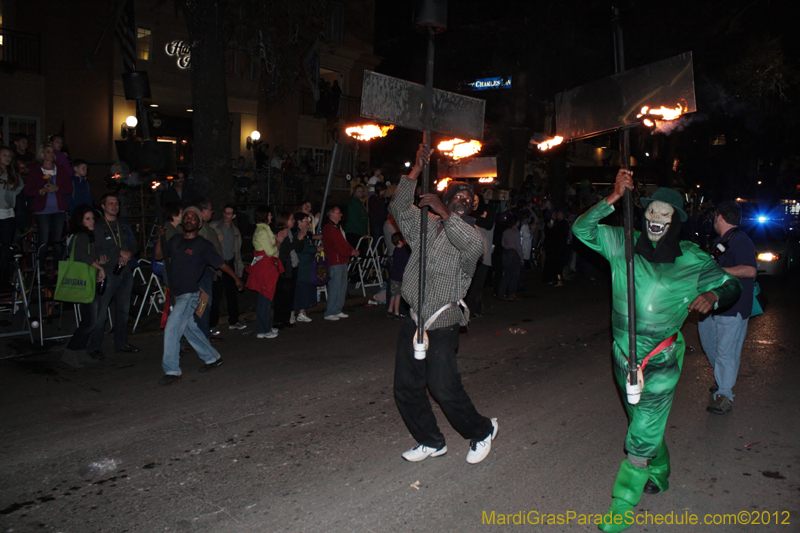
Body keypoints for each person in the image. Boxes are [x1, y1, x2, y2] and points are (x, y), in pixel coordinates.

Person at [572, 169, 742, 533]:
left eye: (665, 214)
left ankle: (622, 504)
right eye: (652, 211)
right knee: (644, 424)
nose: (656, 219)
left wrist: (713, 295)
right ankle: (660, 471)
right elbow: (581, 230)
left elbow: (731, 285)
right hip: (622, 355)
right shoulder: (622, 242)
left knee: (644, 426)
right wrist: (614, 198)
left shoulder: (693, 258)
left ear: (676, 220)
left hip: (661, 358)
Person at [389, 146, 497, 465]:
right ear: (446, 197)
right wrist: (417, 170)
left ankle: (481, 431)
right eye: (458, 195)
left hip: (443, 320)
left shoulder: (471, 237)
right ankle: (431, 440)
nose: (464, 199)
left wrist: (445, 212)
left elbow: (471, 246)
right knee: (405, 387)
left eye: (470, 198)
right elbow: (397, 205)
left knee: (442, 386)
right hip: (413, 318)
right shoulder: (425, 225)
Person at [154, 207, 244, 386]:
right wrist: (160, 237)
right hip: (177, 293)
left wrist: (236, 279)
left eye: (193, 218)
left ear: (199, 223)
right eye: (186, 217)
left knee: (172, 327)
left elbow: (221, 264)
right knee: (189, 329)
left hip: (190, 294)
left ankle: (172, 370)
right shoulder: (175, 240)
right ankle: (212, 358)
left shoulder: (203, 245)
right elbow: (158, 255)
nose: (188, 219)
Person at [698, 201, 757, 415]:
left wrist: (720, 273)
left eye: (714, 217)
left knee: (726, 352)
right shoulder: (719, 241)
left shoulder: (741, 240)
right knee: (710, 345)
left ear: (719, 217)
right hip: (714, 305)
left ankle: (724, 394)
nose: (713, 221)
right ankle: (724, 378)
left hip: (734, 307)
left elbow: (750, 271)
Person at [87, 192, 139, 359]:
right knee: (101, 311)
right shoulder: (98, 226)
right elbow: (98, 246)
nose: (114, 206)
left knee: (123, 310)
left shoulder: (123, 225)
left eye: (116, 203)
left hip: (125, 272)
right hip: (108, 272)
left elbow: (134, 244)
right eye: (110, 203)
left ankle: (121, 343)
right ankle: (94, 347)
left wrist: (129, 252)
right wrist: (119, 252)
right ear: (103, 206)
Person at [60, 205, 107, 368]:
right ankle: (71, 351)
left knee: (88, 319)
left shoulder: (78, 236)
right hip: (85, 283)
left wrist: (98, 264)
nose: (92, 221)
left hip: (86, 281)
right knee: (89, 321)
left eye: (92, 218)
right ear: (80, 221)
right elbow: (81, 256)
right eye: (87, 219)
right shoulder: (83, 236)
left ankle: (79, 352)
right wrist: (99, 267)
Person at [24, 143, 73, 274]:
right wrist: (41, 190)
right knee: (44, 241)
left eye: (52, 152)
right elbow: (28, 190)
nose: (51, 154)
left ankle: (58, 270)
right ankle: (40, 270)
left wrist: (58, 188)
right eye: (47, 151)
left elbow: (69, 188)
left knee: (57, 242)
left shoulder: (61, 170)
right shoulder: (35, 171)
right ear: (42, 153)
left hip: (59, 210)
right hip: (42, 210)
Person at [247, 206, 283, 339]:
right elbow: (270, 251)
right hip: (265, 268)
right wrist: (278, 243)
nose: (271, 217)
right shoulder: (262, 231)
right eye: (269, 215)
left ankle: (264, 328)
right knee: (265, 299)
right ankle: (263, 329)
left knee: (265, 299)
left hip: (266, 267)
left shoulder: (263, 230)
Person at [209, 204, 246, 331]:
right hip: (218, 264)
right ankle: (211, 325)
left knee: (232, 294)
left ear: (234, 216)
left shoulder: (235, 231)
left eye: (229, 213)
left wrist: (239, 267)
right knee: (216, 295)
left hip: (230, 263)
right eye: (225, 212)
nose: (226, 215)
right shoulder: (214, 226)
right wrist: (215, 241)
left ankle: (234, 321)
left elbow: (238, 251)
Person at [321, 206, 358, 320]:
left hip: (342, 259)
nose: (341, 214)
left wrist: (351, 250)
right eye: (338, 212)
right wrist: (350, 252)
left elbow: (344, 242)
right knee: (335, 286)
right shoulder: (329, 228)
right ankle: (330, 311)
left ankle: (337, 309)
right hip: (335, 260)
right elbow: (337, 245)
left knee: (342, 286)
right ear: (331, 214)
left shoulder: (338, 227)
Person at [195, 199, 222, 340]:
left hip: (208, 270)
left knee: (205, 302)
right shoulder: (200, 229)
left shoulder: (206, 228)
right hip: (203, 270)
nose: (212, 213)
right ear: (203, 211)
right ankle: (202, 334)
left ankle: (203, 331)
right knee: (203, 302)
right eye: (210, 210)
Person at [273, 211, 303, 329]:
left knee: (289, 295)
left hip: (292, 265)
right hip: (283, 267)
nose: (293, 221)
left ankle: (285, 319)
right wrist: (297, 240)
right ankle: (278, 321)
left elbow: (298, 248)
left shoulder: (290, 232)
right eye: (291, 219)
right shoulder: (279, 232)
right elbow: (284, 250)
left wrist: (300, 238)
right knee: (281, 295)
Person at [0, 146, 25, 290]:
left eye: (9, 156)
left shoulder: (13, 173)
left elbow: (20, 186)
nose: (7, 158)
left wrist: (12, 195)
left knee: (5, 247)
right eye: (4, 155)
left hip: (8, 213)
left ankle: (4, 279)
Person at [292, 211, 320, 324]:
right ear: (298, 222)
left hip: (308, 265)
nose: (307, 222)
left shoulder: (307, 233)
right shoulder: (296, 233)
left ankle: (302, 312)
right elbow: (300, 248)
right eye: (305, 220)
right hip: (301, 265)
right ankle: (292, 313)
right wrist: (315, 250)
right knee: (298, 290)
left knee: (305, 289)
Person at [498, 213, 524, 301]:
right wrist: (521, 257)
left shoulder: (505, 232)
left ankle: (501, 293)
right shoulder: (516, 232)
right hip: (513, 253)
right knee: (515, 275)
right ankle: (511, 293)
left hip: (506, 253)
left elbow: (503, 243)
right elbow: (518, 246)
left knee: (506, 274)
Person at [387, 231, 409, 319]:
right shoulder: (402, 251)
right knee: (398, 295)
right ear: (400, 241)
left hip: (394, 275)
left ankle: (390, 310)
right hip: (399, 276)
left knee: (393, 294)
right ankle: (397, 312)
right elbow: (405, 263)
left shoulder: (396, 251)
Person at [344, 184, 368, 249]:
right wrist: (362, 232)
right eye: (359, 191)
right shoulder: (353, 203)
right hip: (354, 231)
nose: (361, 193)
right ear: (355, 192)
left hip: (358, 231)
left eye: (362, 191)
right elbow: (354, 219)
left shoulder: (359, 203)